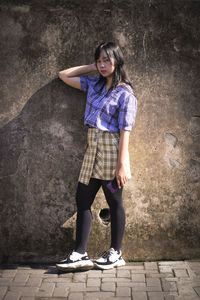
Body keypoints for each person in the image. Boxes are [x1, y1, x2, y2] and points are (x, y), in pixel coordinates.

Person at [56, 42, 137, 271]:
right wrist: (92, 66)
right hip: (92, 150)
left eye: (107, 61)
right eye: (99, 60)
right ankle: (79, 253)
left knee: (114, 200)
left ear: (117, 62)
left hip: (112, 153)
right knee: (83, 199)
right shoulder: (94, 84)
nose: (102, 65)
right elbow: (63, 75)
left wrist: (121, 165)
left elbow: (125, 132)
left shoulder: (125, 94)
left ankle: (116, 253)